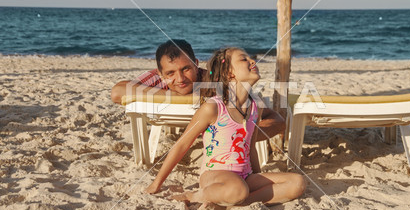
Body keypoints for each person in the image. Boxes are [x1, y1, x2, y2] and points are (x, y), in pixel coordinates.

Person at [145, 47, 305, 210]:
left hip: (245, 176)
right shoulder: (214, 107)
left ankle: (239, 203)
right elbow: (181, 145)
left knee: (297, 183)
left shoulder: (255, 107)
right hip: (215, 176)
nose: (252, 61)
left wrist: (258, 176)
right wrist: (156, 184)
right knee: (237, 189)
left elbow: (250, 147)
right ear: (229, 73)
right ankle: (193, 196)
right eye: (243, 59)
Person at [111, 39, 285, 141]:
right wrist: (172, 95)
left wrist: (244, 139)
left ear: (196, 63)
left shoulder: (213, 79)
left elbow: (272, 117)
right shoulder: (159, 79)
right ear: (160, 73)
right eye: (170, 73)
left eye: (186, 69)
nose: (180, 79)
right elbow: (117, 92)